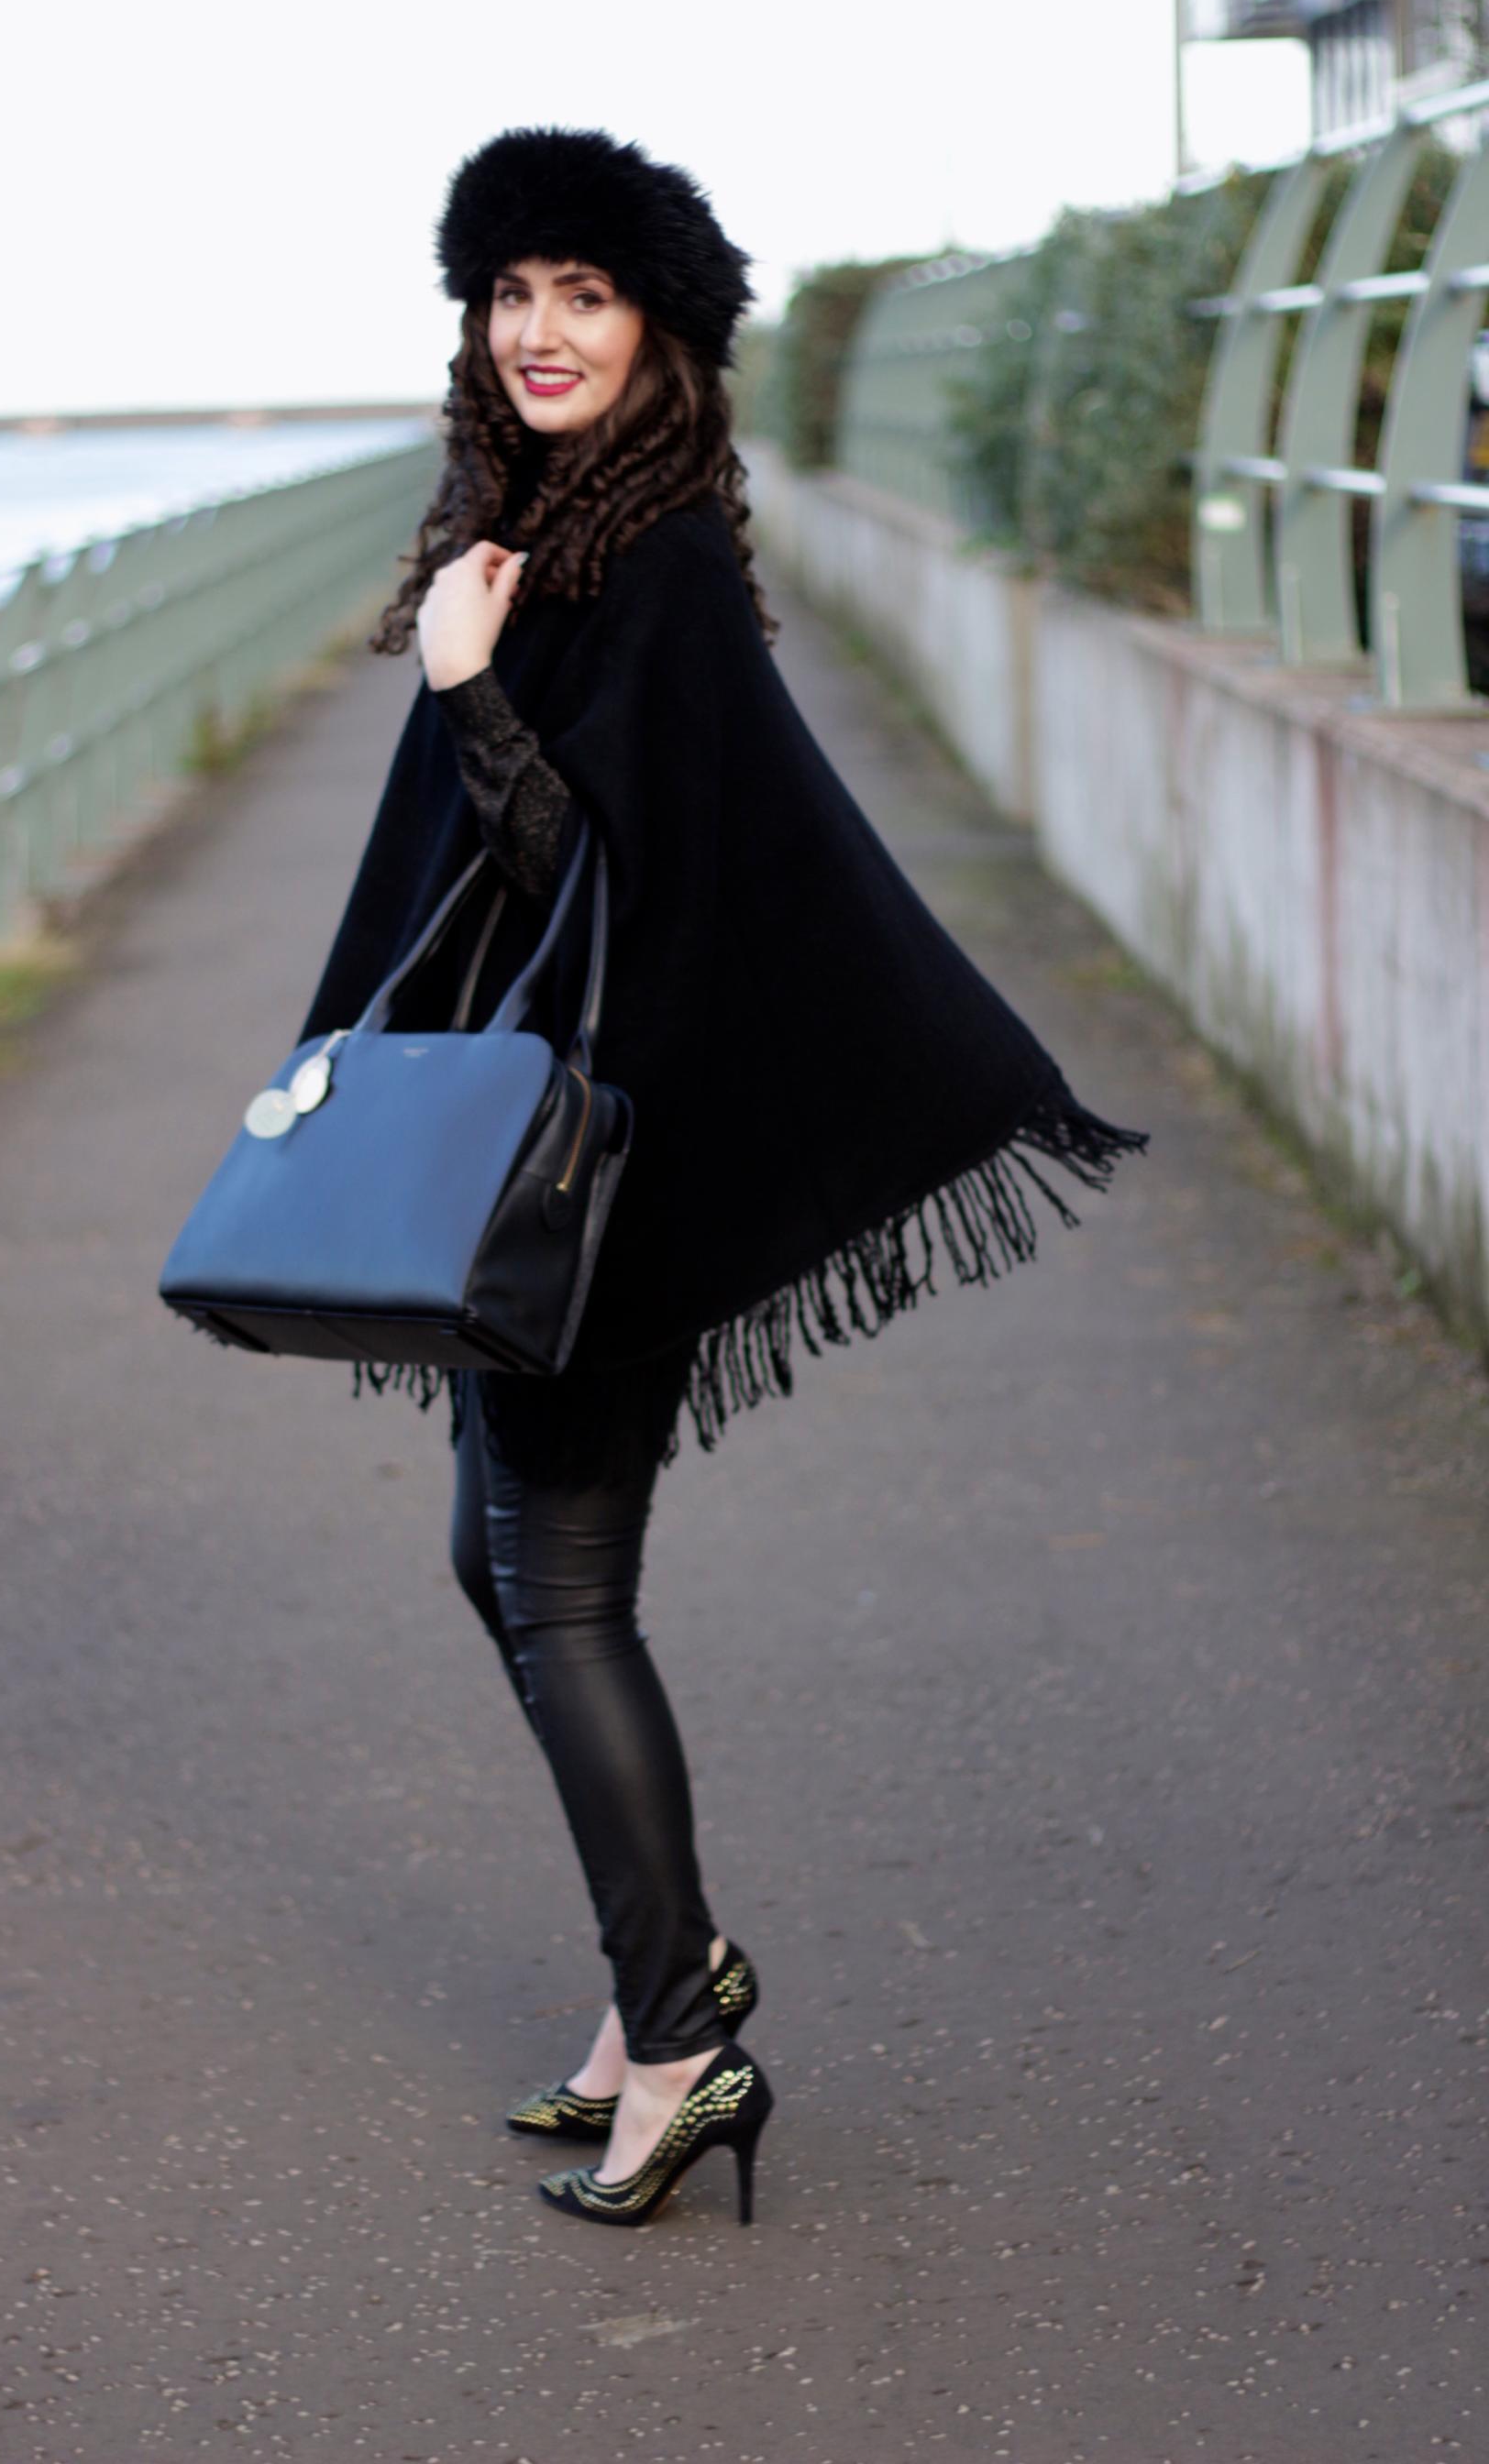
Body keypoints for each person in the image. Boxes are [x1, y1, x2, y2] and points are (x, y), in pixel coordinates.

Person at [293, 126, 1152, 2228]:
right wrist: (481, 663)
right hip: (533, 1158)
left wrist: (475, 697)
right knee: (501, 1572)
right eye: (510, 295)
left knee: (558, 1587)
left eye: (584, 294)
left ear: (663, 336)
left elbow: (610, 880)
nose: (541, 330)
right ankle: (647, 1996)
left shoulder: (647, 562)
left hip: (604, 1174)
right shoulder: (522, 528)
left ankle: (680, 2042)